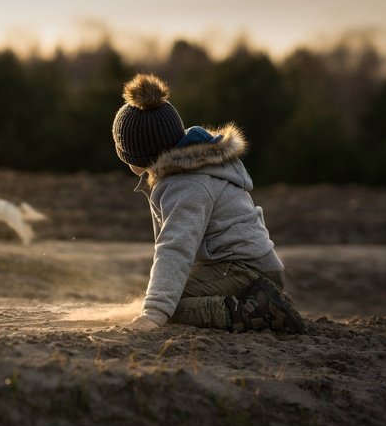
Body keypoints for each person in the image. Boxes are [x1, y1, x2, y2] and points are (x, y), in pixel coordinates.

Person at [111, 73, 305, 334]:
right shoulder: (183, 172)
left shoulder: (187, 186)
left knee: (170, 309)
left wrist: (154, 314)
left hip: (245, 270)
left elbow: (175, 247)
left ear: (139, 155)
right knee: (164, 296)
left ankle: (260, 310)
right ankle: (263, 298)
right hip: (243, 268)